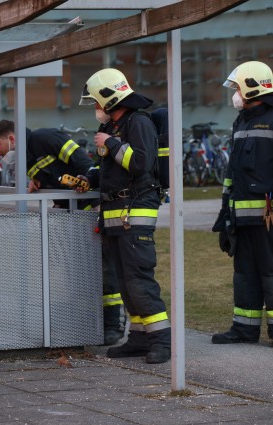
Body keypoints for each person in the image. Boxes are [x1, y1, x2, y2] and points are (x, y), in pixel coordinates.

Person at [0, 120, 126, 345]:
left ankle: (113, 324)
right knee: (79, 273)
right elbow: (55, 175)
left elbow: (84, 165)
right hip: (70, 216)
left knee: (104, 269)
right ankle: (90, 323)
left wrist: (84, 185)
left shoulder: (45, 137)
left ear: (11, 139)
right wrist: (39, 182)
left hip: (91, 210)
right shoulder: (27, 157)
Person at [77, 68, 171, 364]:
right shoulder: (118, 127)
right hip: (116, 217)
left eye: (95, 102)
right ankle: (139, 338)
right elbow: (115, 170)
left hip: (135, 215)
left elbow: (141, 163)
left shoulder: (139, 122)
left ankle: (161, 342)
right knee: (126, 282)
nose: (95, 109)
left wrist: (111, 144)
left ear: (109, 99)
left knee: (139, 280)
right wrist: (89, 179)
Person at [211, 60, 273, 345]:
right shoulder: (241, 121)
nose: (234, 93)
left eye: (237, 87)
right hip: (242, 217)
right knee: (244, 274)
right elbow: (232, 174)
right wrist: (225, 214)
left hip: (267, 217)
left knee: (270, 273)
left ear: (251, 88)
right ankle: (244, 329)